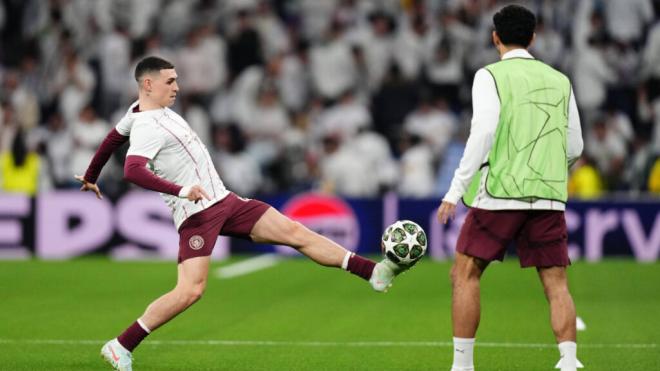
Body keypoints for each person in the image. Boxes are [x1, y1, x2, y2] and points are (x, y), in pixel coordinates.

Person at [76, 56, 406, 371]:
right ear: (148, 84)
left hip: (225, 201)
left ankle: (373, 273)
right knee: (191, 290)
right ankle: (121, 345)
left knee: (294, 232)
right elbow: (133, 171)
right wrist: (180, 190)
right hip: (197, 213)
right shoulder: (147, 123)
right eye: (170, 81)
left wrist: (91, 176)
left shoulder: (139, 111)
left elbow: (111, 139)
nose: (177, 86)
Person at [436, 5, 584, 371]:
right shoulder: (560, 80)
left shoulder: (490, 76)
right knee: (556, 283)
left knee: (465, 272)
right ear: (533, 38)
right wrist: (548, 170)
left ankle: (462, 365)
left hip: (501, 192)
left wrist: (455, 190)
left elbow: (483, 132)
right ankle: (568, 361)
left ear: (495, 37)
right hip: (548, 196)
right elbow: (576, 146)